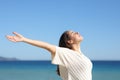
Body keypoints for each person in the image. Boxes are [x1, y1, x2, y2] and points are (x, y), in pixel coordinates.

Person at [6, 30, 92, 80]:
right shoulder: (65, 53)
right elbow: (47, 46)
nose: (77, 32)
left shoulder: (84, 58)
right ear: (69, 41)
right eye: (73, 33)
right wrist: (24, 39)